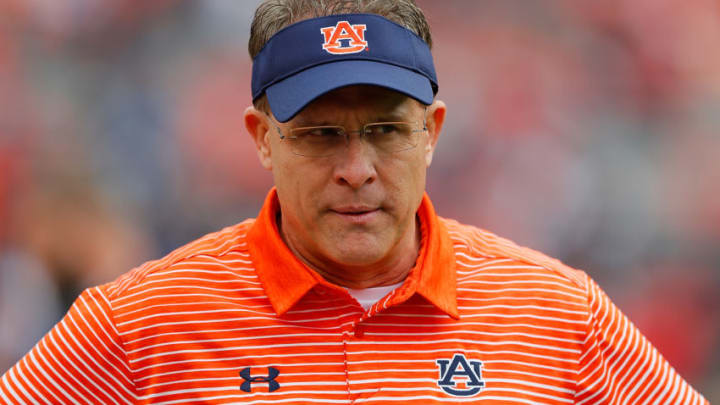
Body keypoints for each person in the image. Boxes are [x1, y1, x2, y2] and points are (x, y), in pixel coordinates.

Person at [0, 1, 709, 403]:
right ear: (262, 138)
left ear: (431, 132)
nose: (357, 168)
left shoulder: (559, 312)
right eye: (319, 135)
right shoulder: (139, 325)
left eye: (385, 130)